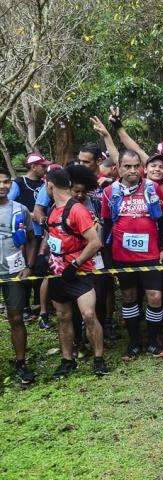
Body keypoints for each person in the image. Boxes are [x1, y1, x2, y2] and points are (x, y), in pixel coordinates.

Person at [102, 150, 163, 360]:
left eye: (135, 166)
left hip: (150, 254)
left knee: (155, 297)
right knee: (129, 297)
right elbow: (106, 226)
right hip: (122, 255)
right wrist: (108, 258)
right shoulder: (109, 192)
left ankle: (152, 341)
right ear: (118, 168)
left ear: (141, 167)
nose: (132, 171)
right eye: (127, 166)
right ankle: (133, 343)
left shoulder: (152, 188)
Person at [44, 168, 108, 377]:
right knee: (63, 317)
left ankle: (99, 359)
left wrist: (75, 264)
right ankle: (67, 360)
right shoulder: (53, 209)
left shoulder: (77, 209)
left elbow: (95, 242)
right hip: (57, 273)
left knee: (89, 315)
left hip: (79, 273)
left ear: (50, 185)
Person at [0, 168, 37, 383]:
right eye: (0, 182)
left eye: (6, 182)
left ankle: (21, 362)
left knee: (16, 318)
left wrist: (29, 265)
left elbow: (32, 238)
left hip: (14, 273)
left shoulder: (20, 209)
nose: (3, 186)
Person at [8, 152, 49, 325]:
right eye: (42, 166)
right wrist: (30, 215)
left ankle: (39, 304)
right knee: (24, 268)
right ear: (33, 166)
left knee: (39, 268)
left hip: (42, 232)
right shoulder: (18, 183)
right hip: (24, 233)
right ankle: (23, 306)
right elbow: (8, 203)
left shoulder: (45, 184)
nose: (45, 168)